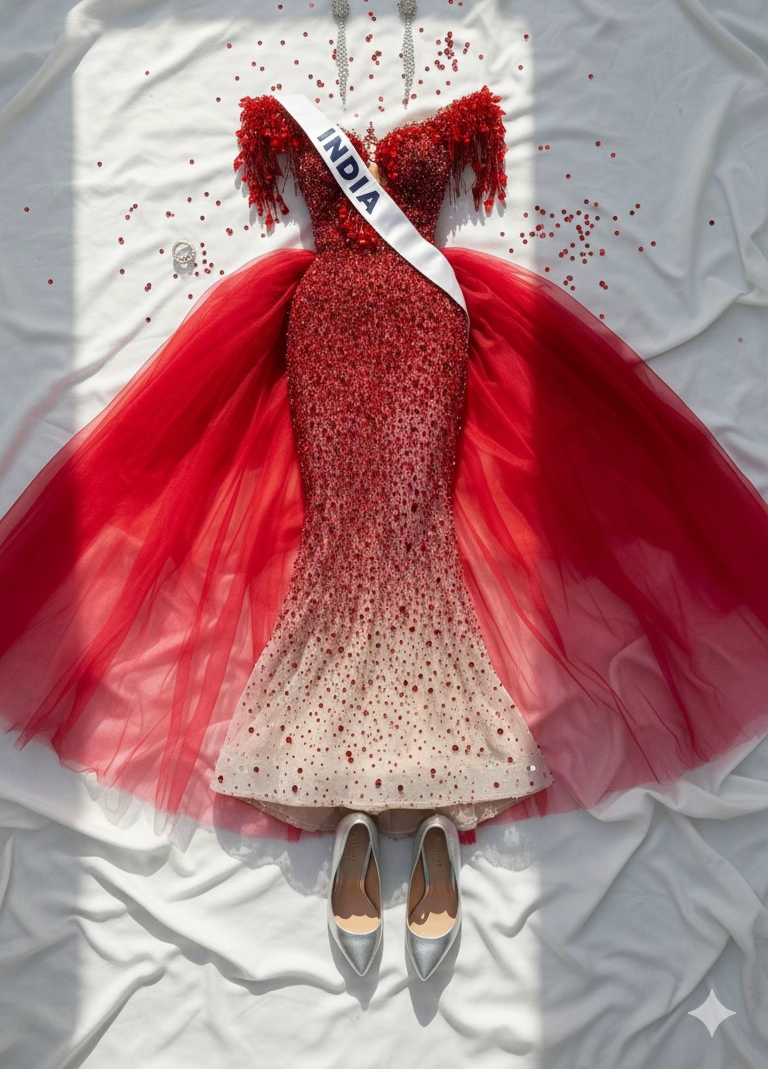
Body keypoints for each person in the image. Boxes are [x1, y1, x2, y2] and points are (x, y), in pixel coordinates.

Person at [1, 87, 768, 981]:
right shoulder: (287, 125)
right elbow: (264, 150)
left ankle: (374, 800)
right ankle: (389, 801)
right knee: (339, 534)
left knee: (414, 525)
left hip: (426, 318)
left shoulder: (459, 120)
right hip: (321, 318)